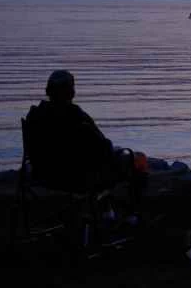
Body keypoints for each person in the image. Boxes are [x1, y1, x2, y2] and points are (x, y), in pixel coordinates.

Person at [25, 70, 148, 219]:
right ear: (71, 92)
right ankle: (133, 215)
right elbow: (102, 148)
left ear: (47, 91)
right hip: (77, 179)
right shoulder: (76, 117)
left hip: (43, 175)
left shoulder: (35, 116)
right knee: (137, 159)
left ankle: (106, 211)